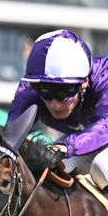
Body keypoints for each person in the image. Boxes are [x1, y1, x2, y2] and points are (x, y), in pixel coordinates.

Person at [9, 29, 108, 187]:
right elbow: (11, 132)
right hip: (91, 137)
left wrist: (66, 146)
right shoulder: (32, 86)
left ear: (84, 82)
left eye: (63, 93)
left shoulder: (105, 79)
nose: (54, 105)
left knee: (102, 166)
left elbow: (104, 127)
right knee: (51, 169)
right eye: (45, 93)